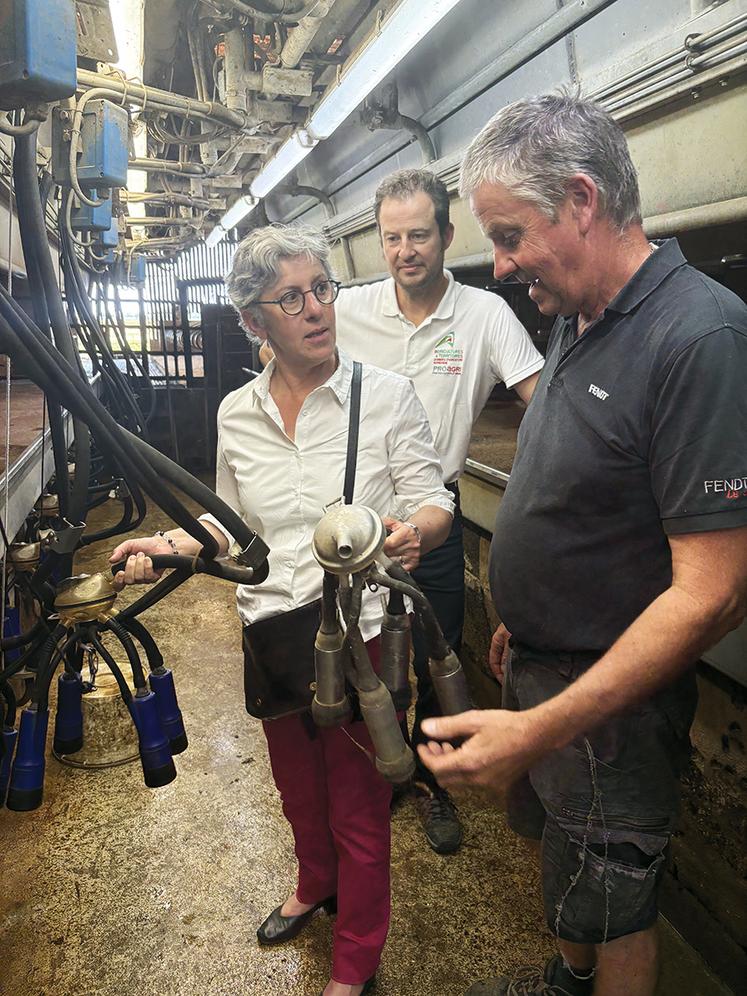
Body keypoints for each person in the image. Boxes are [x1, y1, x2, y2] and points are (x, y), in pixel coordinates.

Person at [417, 94, 747, 996]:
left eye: (511, 233)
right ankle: (567, 978)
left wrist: (535, 726)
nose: (501, 261)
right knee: (569, 852)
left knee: (619, 891)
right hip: (541, 658)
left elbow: (711, 592)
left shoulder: (697, 336)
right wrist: (524, 622)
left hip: (612, 706)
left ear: (581, 200)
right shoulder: (578, 312)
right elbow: (576, 479)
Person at [110, 224, 454, 996]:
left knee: (361, 806)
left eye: (322, 288)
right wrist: (164, 546)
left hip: (358, 635)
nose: (315, 308)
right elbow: (228, 526)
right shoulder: (236, 414)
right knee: (297, 789)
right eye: (291, 297)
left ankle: (355, 960)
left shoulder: (385, 396)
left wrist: (413, 531)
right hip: (270, 629)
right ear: (254, 321)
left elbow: (435, 499)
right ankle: (313, 884)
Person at [334, 169, 544, 855]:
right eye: (391, 238)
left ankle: (428, 782)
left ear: (447, 236)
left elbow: (543, 402)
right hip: (355, 520)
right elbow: (286, 368)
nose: (404, 251)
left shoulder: (483, 316)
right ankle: (370, 777)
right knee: (353, 656)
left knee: (434, 653)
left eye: (418, 234)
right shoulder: (349, 311)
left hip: (433, 519)